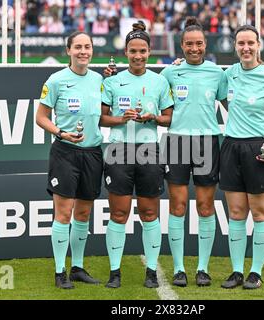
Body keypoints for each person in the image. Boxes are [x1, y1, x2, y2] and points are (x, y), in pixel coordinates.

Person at [100, 21, 174, 289]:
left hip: (149, 151)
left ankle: (152, 271)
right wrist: (121, 119)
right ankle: (114, 271)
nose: (138, 56)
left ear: (149, 52)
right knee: (118, 213)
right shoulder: (112, 81)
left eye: (142, 51)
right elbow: (102, 119)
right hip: (119, 150)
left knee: (149, 212)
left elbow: (169, 119)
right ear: (126, 53)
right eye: (133, 51)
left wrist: (153, 117)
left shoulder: (160, 81)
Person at [159, 17, 227, 287]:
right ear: (181, 46)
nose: (194, 48)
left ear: (205, 44)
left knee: (205, 206)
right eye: (189, 44)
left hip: (207, 142)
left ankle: (202, 268)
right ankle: (178, 268)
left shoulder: (217, 73)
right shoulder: (169, 73)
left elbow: (231, 104)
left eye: (198, 43)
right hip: (176, 142)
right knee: (177, 206)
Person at [220, 25, 264, 289]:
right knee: (236, 213)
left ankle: (255, 273)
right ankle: (237, 272)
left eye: (250, 42)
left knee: (260, 213)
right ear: (235, 46)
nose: (246, 48)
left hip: (258, 149)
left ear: (259, 44)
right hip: (231, 147)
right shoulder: (228, 74)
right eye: (241, 43)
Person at [36, 31, 103, 289]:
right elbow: (40, 117)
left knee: (83, 213)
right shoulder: (55, 80)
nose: (83, 51)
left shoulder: (99, 80)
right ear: (69, 50)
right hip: (65, 152)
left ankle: (77, 267)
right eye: (78, 47)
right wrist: (61, 132)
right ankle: (59, 271)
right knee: (63, 213)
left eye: (87, 46)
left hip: (93, 152)